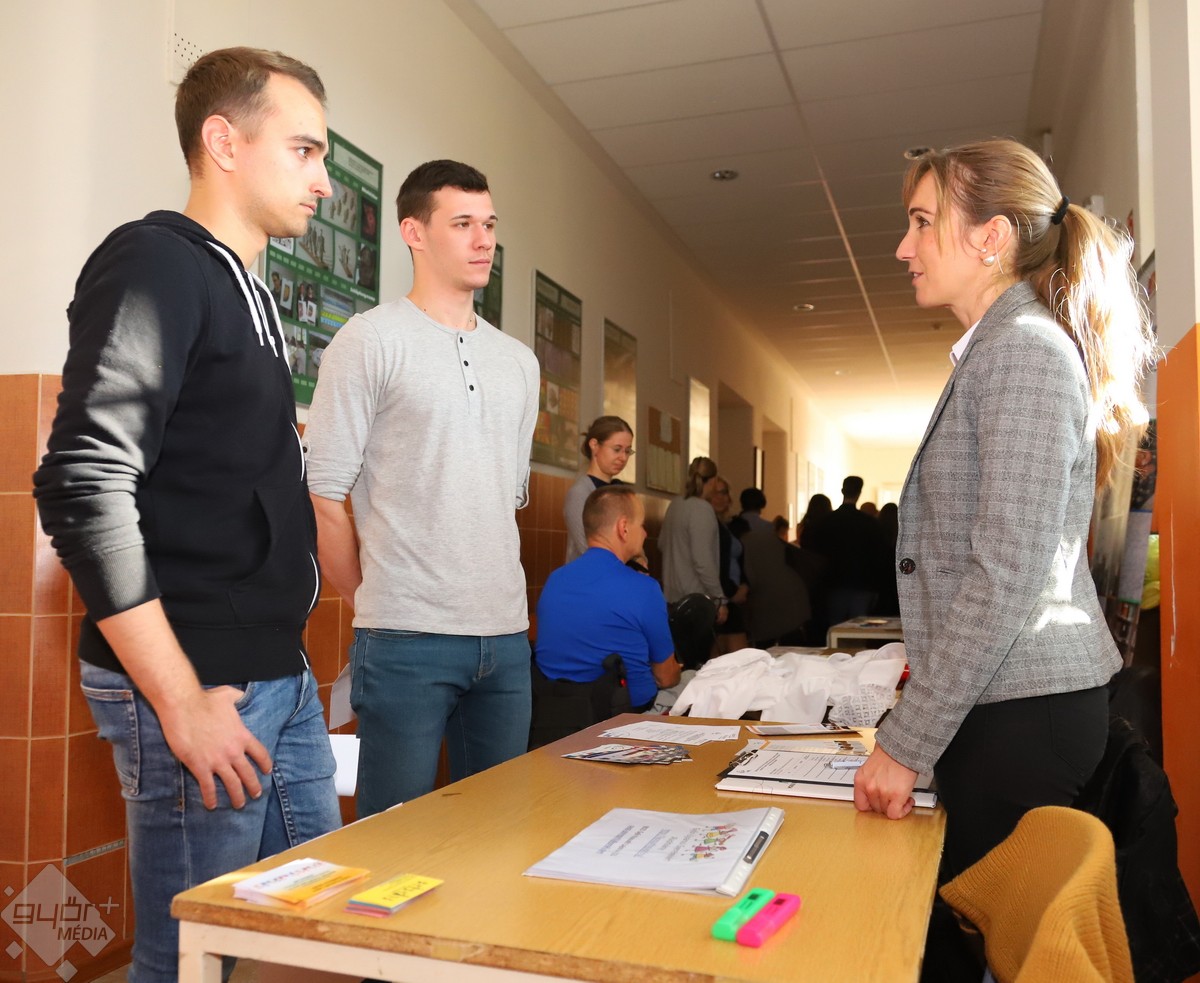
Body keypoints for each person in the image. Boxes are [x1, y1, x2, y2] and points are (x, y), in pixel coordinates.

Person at [32, 47, 342, 982]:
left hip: (272, 671)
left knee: (317, 934)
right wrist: (179, 701)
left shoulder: (248, 287)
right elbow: (84, 482)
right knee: (188, 963)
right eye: (305, 150)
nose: (324, 182)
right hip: (198, 683)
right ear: (224, 142)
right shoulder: (155, 261)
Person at [854, 138, 1154, 901]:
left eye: (923, 222)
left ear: (991, 237)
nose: (904, 247)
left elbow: (1007, 572)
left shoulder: (1023, 350)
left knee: (981, 934)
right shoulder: (1002, 350)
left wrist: (905, 742)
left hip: (1022, 710)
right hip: (1004, 703)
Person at [304, 159, 539, 818]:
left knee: (497, 830)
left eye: (489, 224)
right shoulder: (369, 341)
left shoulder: (521, 363)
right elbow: (323, 494)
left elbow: (502, 499)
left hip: (506, 638)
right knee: (393, 833)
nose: (483, 240)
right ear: (413, 232)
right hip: (405, 639)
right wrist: (378, 601)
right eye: (462, 224)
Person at [535, 485, 681, 711]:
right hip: (627, 713)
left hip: (557, 712)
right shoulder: (644, 588)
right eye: (641, 525)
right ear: (624, 528)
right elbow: (666, 677)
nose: (644, 533)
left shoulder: (554, 580)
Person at [804, 475, 889, 625]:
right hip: (862, 583)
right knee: (860, 628)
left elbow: (816, 553)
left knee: (835, 627)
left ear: (842, 490)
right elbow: (877, 555)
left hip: (833, 582)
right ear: (859, 493)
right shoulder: (869, 523)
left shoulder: (827, 522)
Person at [564, 415, 633, 562]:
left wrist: (639, 559)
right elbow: (587, 548)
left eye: (627, 451)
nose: (623, 457)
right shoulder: (580, 493)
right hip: (590, 573)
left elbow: (634, 540)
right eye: (617, 449)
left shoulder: (620, 491)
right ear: (594, 445)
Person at [703, 475, 749, 653]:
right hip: (723, 596)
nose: (724, 498)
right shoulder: (710, 525)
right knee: (735, 659)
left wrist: (744, 584)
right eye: (719, 493)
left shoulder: (726, 525)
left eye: (726, 493)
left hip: (730, 597)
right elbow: (714, 564)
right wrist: (730, 593)